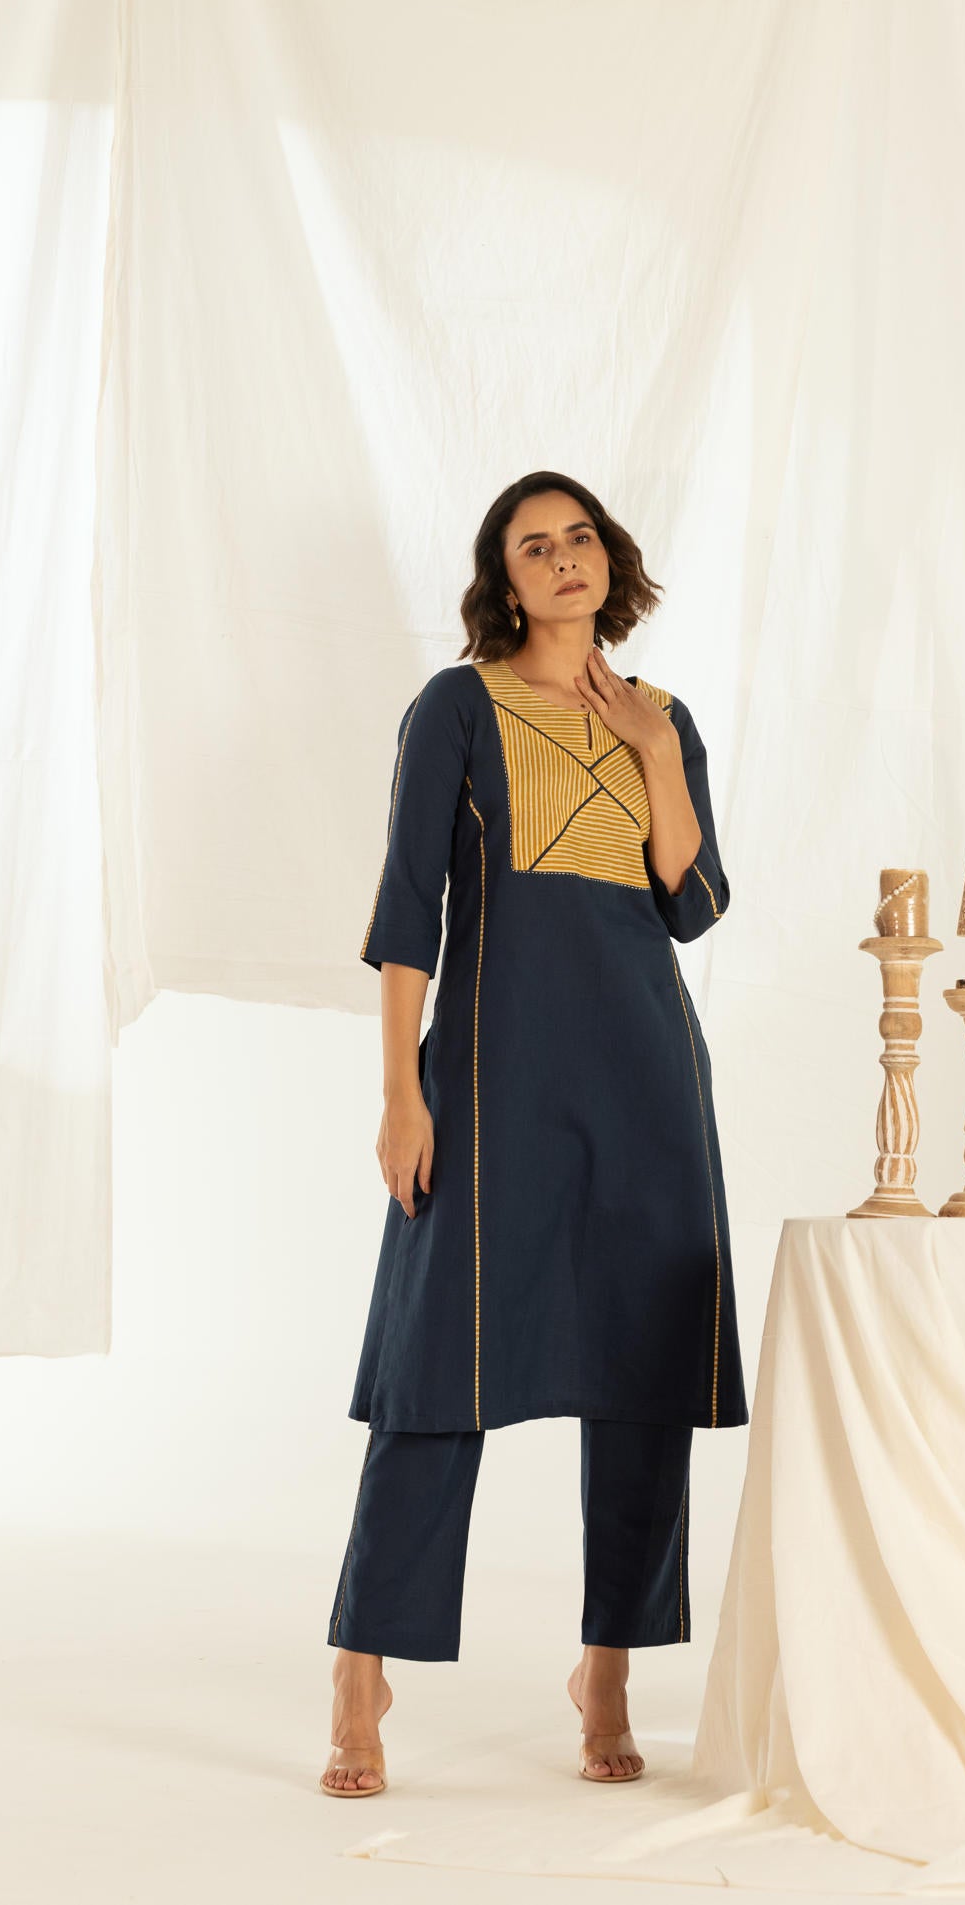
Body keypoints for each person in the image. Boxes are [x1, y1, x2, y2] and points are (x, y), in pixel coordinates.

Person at [319, 471, 746, 1798]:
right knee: (438, 1367)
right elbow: (411, 910)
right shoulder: (456, 707)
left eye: (580, 539)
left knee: (644, 1371)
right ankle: (361, 1666)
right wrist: (402, 1091)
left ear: (610, 560)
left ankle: (606, 1666)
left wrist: (655, 754)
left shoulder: (664, 717)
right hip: (492, 1076)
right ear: (504, 581)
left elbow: (694, 903)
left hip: (647, 1078)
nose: (564, 560)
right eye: (534, 546)